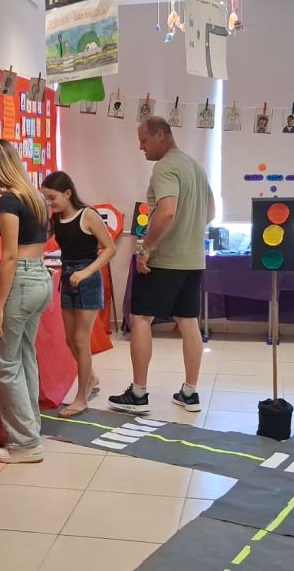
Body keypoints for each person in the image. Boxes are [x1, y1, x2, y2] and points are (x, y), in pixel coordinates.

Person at [108, 117, 214, 413]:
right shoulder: (195, 167)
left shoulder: (165, 167)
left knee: (141, 318)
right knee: (188, 321)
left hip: (165, 260)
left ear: (160, 135)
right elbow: (210, 213)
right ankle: (189, 393)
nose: (141, 147)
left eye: (143, 141)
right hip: (193, 259)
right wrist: (187, 232)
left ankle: (138, 394)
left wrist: (147, 248)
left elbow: (166, 212)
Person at [0, 139, 52, 462]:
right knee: (24, 357)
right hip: (40, 278)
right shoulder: (34, 197)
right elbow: (23, 251)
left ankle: (24, 443)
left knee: (5, 365)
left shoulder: (8, 201)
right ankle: (31, 431)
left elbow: (9, 257)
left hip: (21, 283)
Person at [41, 172, 117, 417]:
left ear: (68, 193)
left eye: (52, 198)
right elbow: (40, 240)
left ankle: (81, 397)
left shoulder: (88, 215)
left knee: (81, 340)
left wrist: (86, 272)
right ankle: (91, 377)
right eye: (46, 199)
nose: (49, 203)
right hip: (67, 278)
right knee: (70, 340)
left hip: (87, 281)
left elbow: (109, 249)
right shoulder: (57, 218)